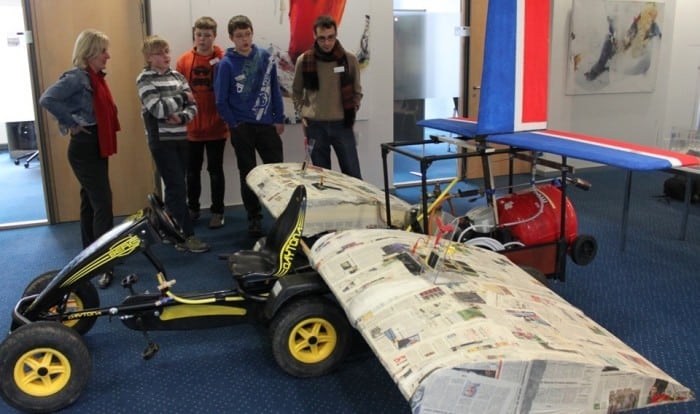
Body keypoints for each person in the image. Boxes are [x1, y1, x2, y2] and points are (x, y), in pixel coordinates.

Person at [39, 29, 120, 289]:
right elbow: (47, 99)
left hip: (96, 143)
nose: (108, 55)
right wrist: (71, 122)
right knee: (103, 203)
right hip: (84, 147)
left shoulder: (95, 77)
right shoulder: (77, 77)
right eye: (103, 51)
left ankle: (88, 253)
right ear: (90, 53)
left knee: (90, 201)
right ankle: (103, 263)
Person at [136, 35, 210, 253]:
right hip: (161, 141)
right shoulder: (144, 79)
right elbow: (157, 109)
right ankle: (186, 236)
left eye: (167, 51)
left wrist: (183, 116)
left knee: (176, 186)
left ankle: (169, 230)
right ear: (149, 57)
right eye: (160, 53)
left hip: (180, 137)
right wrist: (181, 98)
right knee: (178, 186)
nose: (166, 56)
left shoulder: (177, 76)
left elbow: (194, 105)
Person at [214, 15, 285, 236]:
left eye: (247, 34)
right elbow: (220, 99)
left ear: (252, 34)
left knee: (277, 172)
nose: (244, 39)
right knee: (249, 174)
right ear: (231, 38)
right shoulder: (226, 64)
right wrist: (233, 124)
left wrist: (279, 117)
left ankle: (282, 214)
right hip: (242, 127)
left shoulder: (265, 57)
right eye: (239, 36)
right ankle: (254, 217)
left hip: (266, 126)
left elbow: (275, 88)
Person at [292, 15, 363, 179]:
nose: (327, 43)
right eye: (322, 38)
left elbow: (357, 92)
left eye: (330, 37)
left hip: (342, 125)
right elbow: (296, 91)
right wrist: (302, 113)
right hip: (315, 126)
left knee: (353, 175)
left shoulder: (349, 60)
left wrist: (352, 113)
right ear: (314, 36)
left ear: (336, 35)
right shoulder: (305, 60)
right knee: (322, 178)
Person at [176, 16, 230, 229]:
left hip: (217, 126)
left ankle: (218, 211)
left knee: (215, 171)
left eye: (207, 35)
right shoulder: (184, 61)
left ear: (214, 36)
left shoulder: (224, 58)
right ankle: (193, 208)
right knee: (192, 171)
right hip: (192, 128)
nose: (203, 39)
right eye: (199, 34)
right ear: (194, 36)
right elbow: (178, 91)